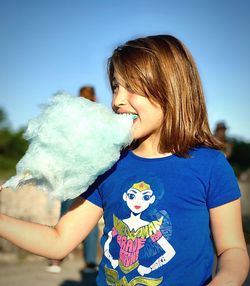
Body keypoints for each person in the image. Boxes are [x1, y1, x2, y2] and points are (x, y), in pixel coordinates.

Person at [0, 35, 249, 285]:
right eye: (116, 87)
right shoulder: (107, 164)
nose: (117, 100)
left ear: (170, 89)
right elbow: (59, 240)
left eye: (131, 88)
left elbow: (232, 249)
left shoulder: (209, 165)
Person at [46, 85, 99, 274]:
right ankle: (91, 263)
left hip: (67, 173)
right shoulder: (97, 117)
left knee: (65, 214)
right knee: (88, 216)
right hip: (88, 174)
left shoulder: (70, 116)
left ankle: (55, 260)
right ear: (94, 96)